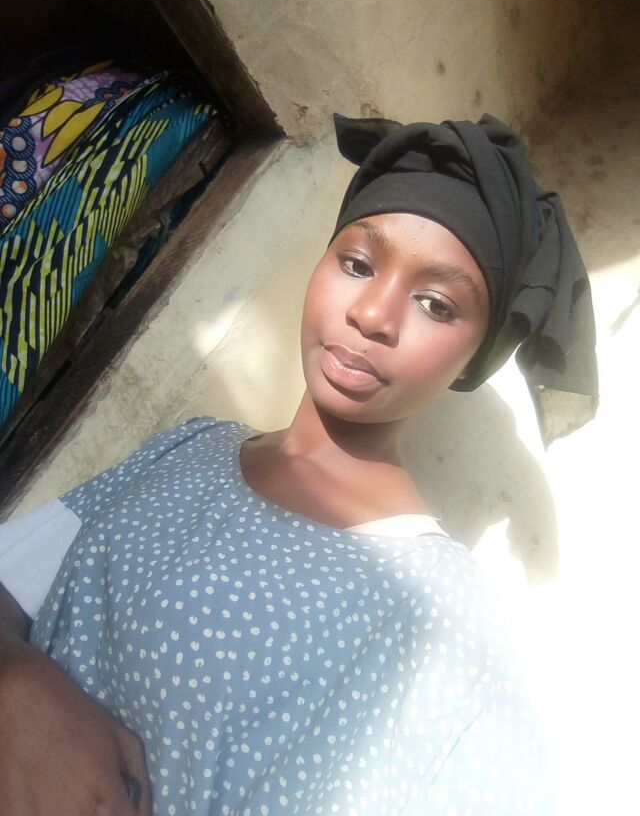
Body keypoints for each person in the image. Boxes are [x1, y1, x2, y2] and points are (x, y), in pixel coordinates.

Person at [0, 112, 597, 815]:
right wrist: (19, 685)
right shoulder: (192, 447)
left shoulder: (447, 621)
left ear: (474, 360)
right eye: (358, 264)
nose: (373, 314)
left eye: (436, 304)